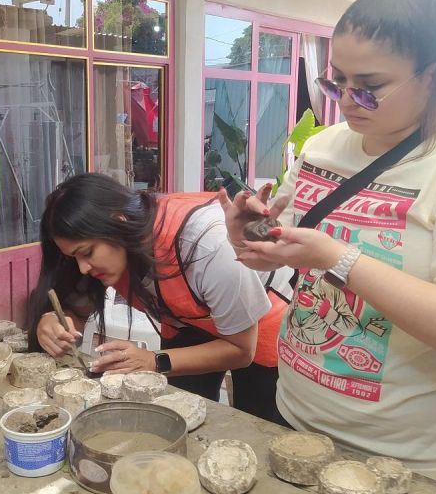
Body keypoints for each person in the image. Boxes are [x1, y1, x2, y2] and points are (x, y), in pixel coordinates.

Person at [220, 0, 436, 493]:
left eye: (369, 86)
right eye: (337, 81)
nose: (348, 101)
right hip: (296, 416)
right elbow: (292, 252)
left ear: (432, 74)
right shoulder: (324, 146)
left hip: (407, 459)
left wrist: (337, 258)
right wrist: (250, 236)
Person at [29, 172, 294, 421]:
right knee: (179, 410)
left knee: (256, 420)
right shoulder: (107, 251)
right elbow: (75, 306)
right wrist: (52, 321)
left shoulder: (206, 245)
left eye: (86, 252)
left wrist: (153, 360)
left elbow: (241, 350)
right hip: (189, 318)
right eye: (73, 257)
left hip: (259, 322)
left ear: (119, 222)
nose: (82, 268)